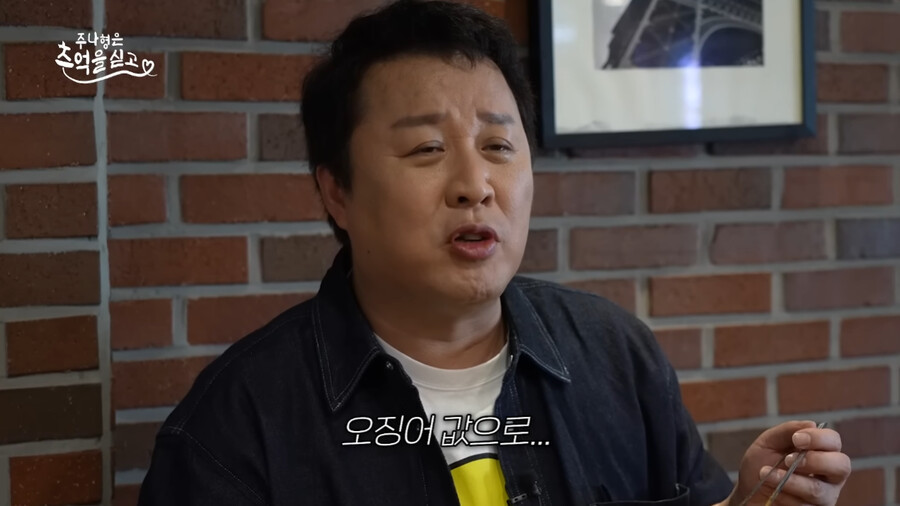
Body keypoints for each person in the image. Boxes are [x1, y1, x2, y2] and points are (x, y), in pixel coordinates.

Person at [137, 1, 851, 505]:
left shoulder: (614, 355)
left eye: (499, 146)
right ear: (337, 192)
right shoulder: (236, 425)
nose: (475, 185)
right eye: (426, 149)